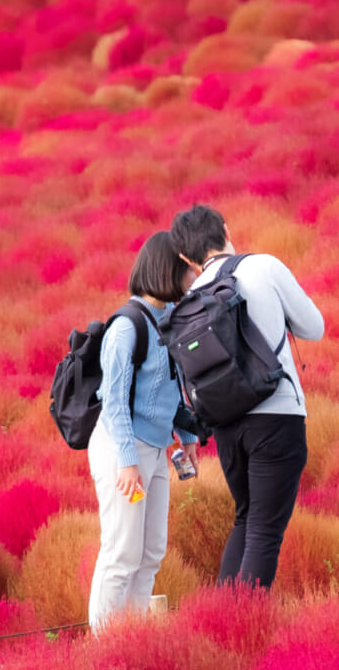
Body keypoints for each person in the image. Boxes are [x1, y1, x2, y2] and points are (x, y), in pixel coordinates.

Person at [169, 202, 324, 589]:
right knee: (264, 532)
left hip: (226, 426)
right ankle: (244, 629)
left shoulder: (191, 297)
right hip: (277, 417)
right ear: (224, 227)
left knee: (247, 518)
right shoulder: (264, 266)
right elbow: (314, 327)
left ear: (187, 257)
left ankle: (224, 623)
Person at [87, 231, 196, 630]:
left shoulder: (166, 322)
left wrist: (187, 440)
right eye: (186, 269)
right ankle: (106, 646)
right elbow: (114, 403)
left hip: (153, 449)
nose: (190, 277)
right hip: (123, 450)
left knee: (151, 552)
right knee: (121, 553)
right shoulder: (127, 328)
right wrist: (128, 463)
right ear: (168, 270)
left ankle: (132, 638)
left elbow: (174, 385)